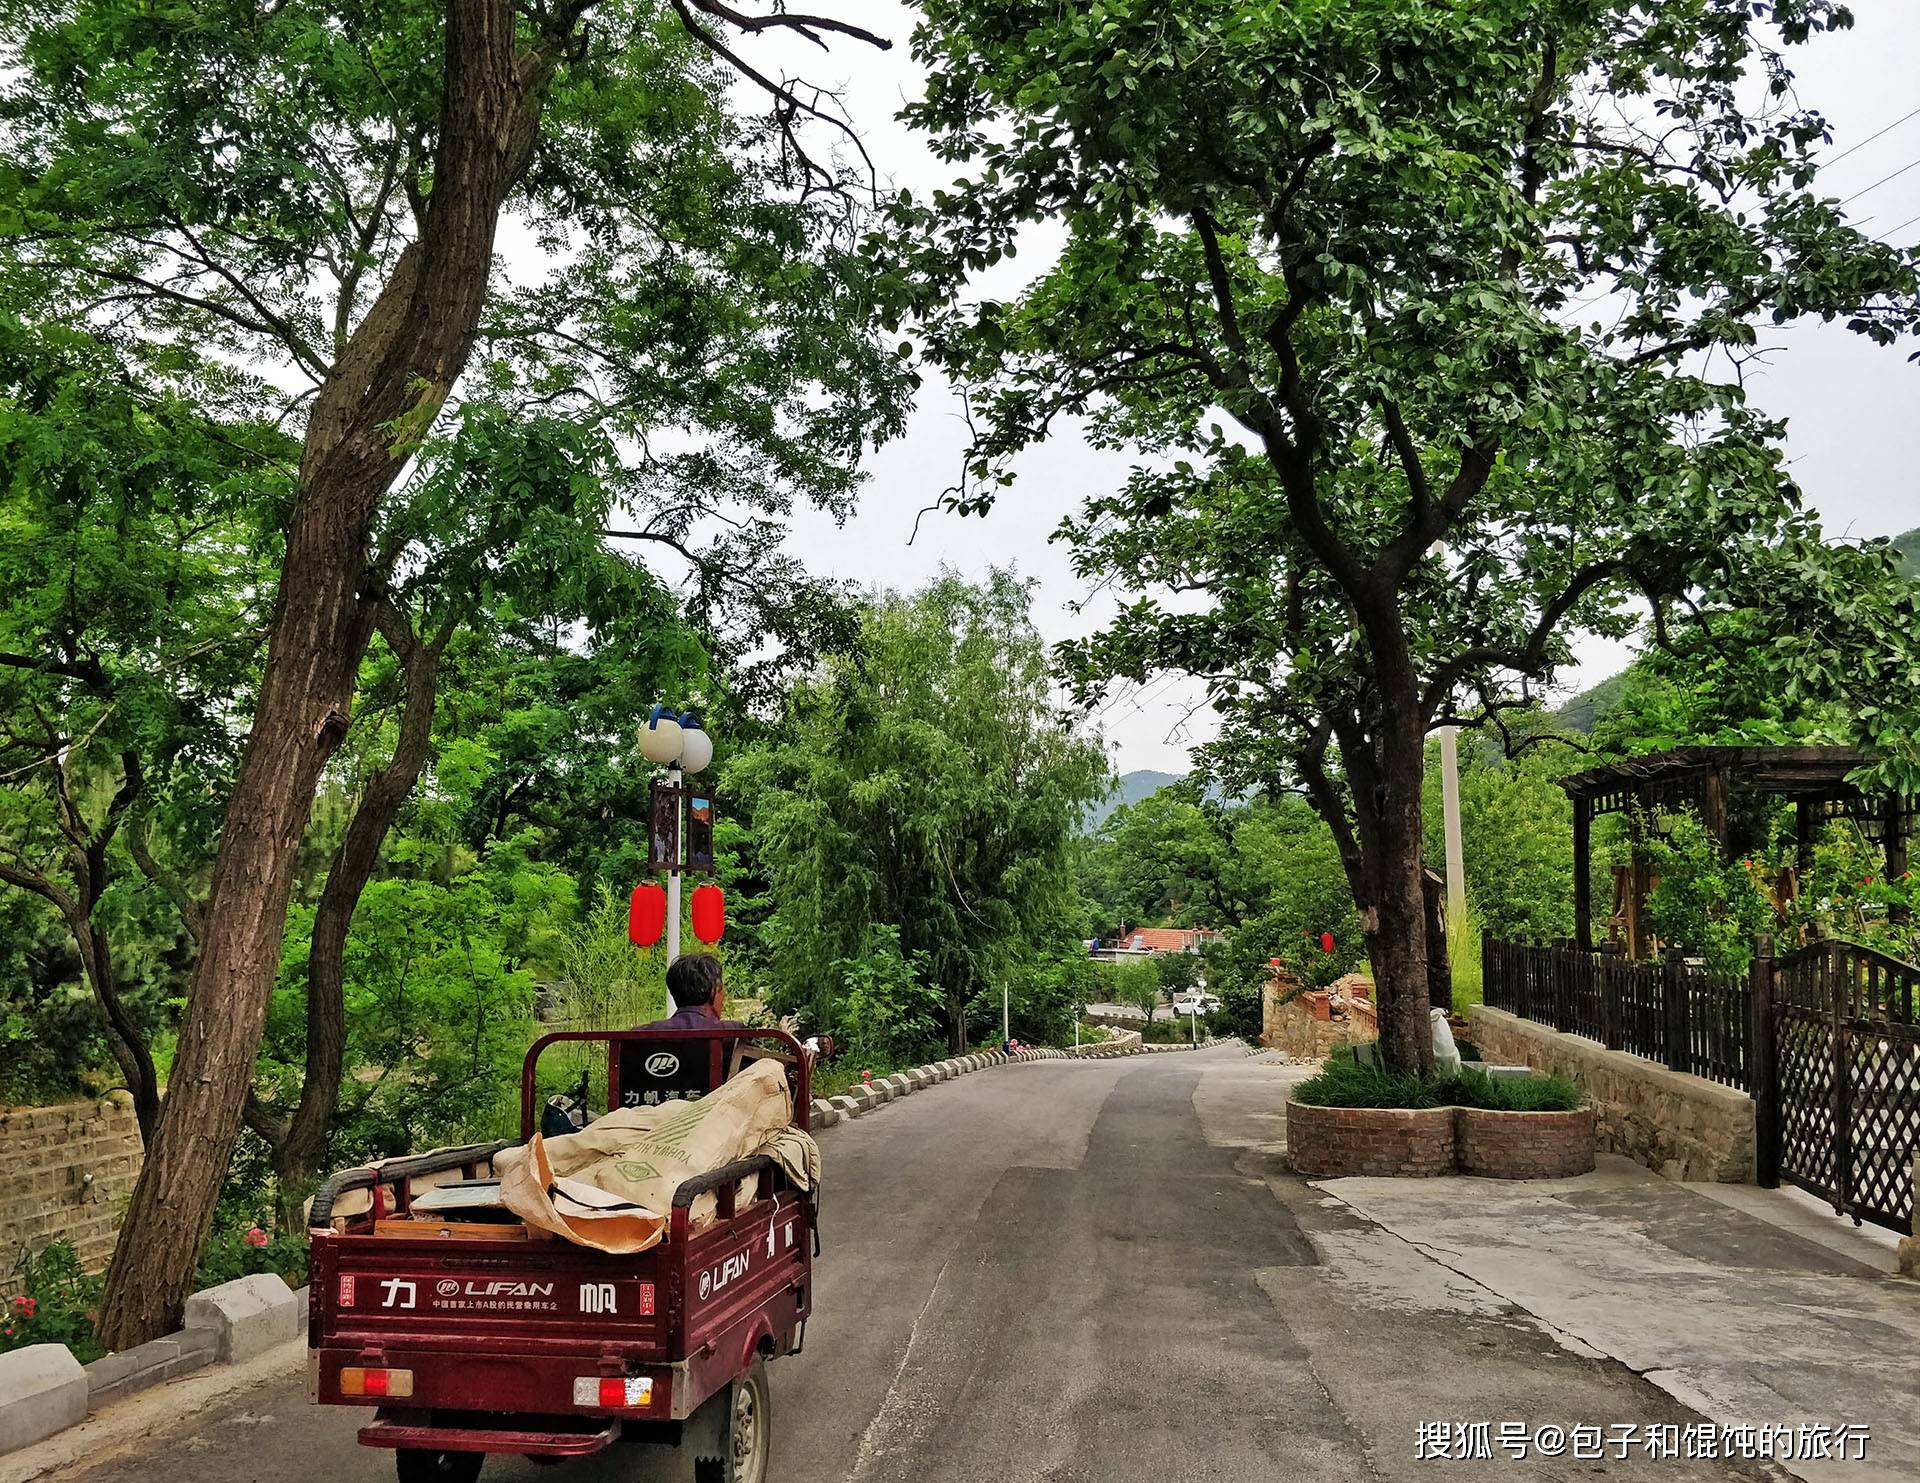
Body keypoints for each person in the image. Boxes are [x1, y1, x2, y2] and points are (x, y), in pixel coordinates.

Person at [640, 953, 739, 1030]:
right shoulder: (733, 1033)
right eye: (721, 990)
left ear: (673, 992)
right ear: (714, 991)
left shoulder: (640, 1035)